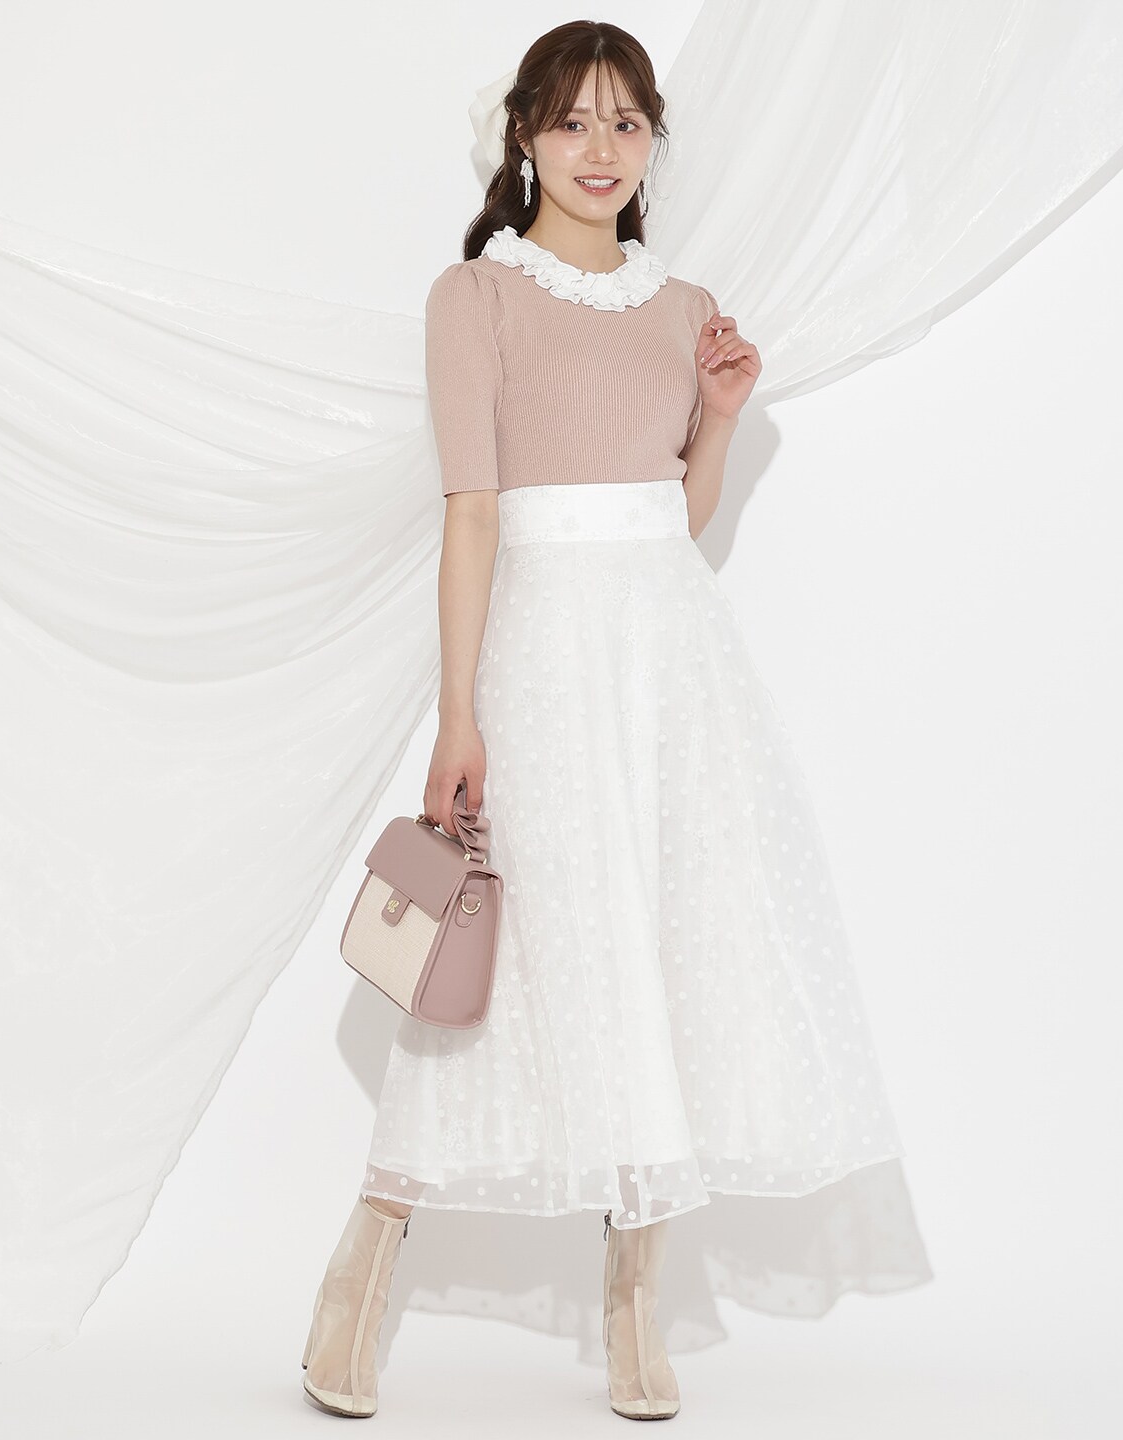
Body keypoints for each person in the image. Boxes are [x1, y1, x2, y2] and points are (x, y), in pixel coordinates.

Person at [301, 19, 907, 1421]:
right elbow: (471, 516)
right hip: (540, 656)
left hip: (671, 660)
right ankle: (361, 1275)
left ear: (652, 144)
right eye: (572, 121)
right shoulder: (476, 297)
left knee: (664, 945)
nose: (599, 148)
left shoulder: (685, 304)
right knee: (501, 966)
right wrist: (459, 717)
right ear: (524, 137)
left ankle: (638, 1303)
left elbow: (670, 521)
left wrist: (720, 417)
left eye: (626, 122)